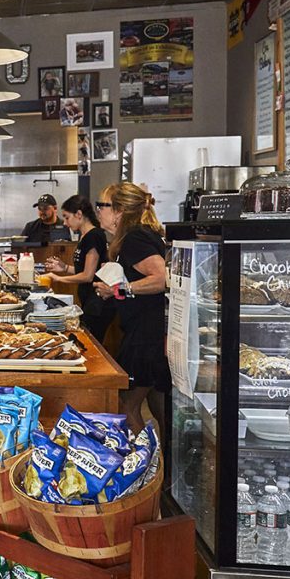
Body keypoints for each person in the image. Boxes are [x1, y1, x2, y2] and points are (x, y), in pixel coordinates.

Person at [93, 182, 170, 433]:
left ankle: (145, 467)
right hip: (149, 331)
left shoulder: (134, 239)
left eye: (102, 206)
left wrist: (118, 290)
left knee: (126, 404)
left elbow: (161, 278)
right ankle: (168, 463)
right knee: (158, 404)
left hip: (146, 335)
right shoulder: (136, 236)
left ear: (119, 211)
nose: (98, 211)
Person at [42, 195, 114, 342]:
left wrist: (59, 278)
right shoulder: (84, 236)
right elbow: (83, 270)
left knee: (91, 342)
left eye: (67, 217)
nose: (66, 223)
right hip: (88, 299)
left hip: (98, 303)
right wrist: (64, 267)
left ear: (79, 214)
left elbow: (88, 276)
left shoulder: (94, 236)